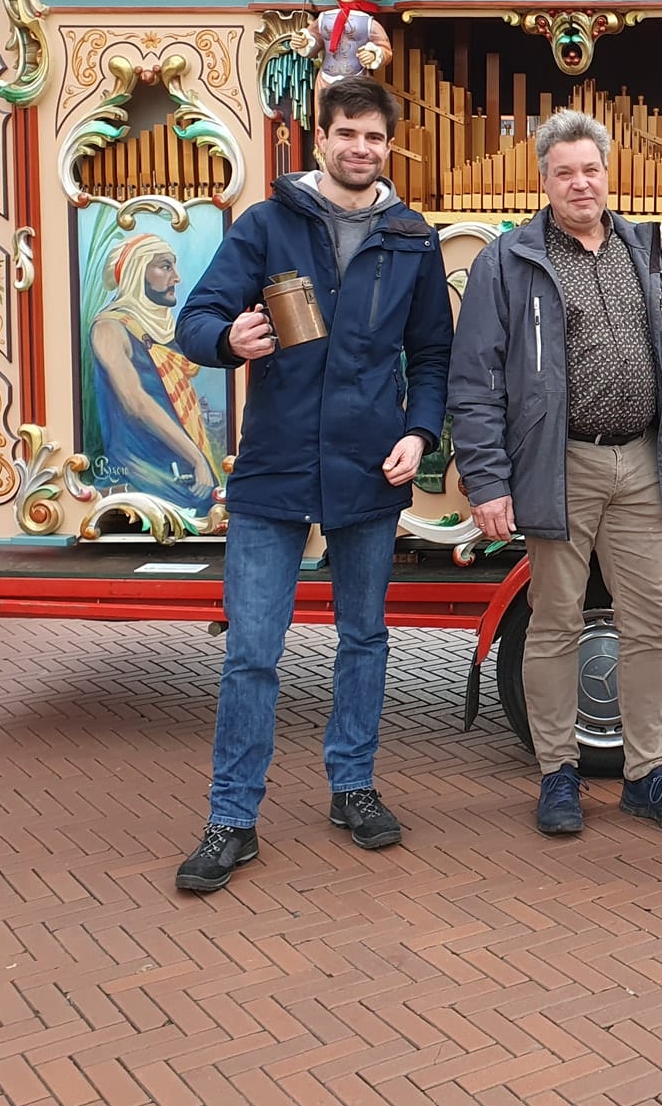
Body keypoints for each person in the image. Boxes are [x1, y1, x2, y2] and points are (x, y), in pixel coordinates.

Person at [169, 74, 452, 892]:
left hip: (371, 463)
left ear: (388, 147)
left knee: (364, 639)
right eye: (347, 134)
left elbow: (434, 353)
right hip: (276, 463)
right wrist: (233, 337)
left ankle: (352, 786)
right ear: (319, 139)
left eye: (374, 137)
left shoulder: (411, 238)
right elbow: (194, 321)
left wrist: (418, 431)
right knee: (253, 651)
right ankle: (232, 817)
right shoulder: (266, 225)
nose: (360, 148)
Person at [448, 110, 662, 839]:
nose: (580, 183)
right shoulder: (507, 262)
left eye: (590, 169)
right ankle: (558, 773)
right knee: (556, 620)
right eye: (564, 172)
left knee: (654, 620)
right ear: (543, 181)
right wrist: (489, 479)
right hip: (558, 461)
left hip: (641, 457)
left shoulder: (647, 252)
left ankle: (647, 774)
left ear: (608, 172)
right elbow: (475, 381)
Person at [87, 232, 222, 513]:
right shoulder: (110, 327)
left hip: (180, 461)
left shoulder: (165, 327)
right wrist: (196, 458)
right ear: (138, 273)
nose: (177, 277)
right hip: (142, 468)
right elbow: (136, 402)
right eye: (165, 266)